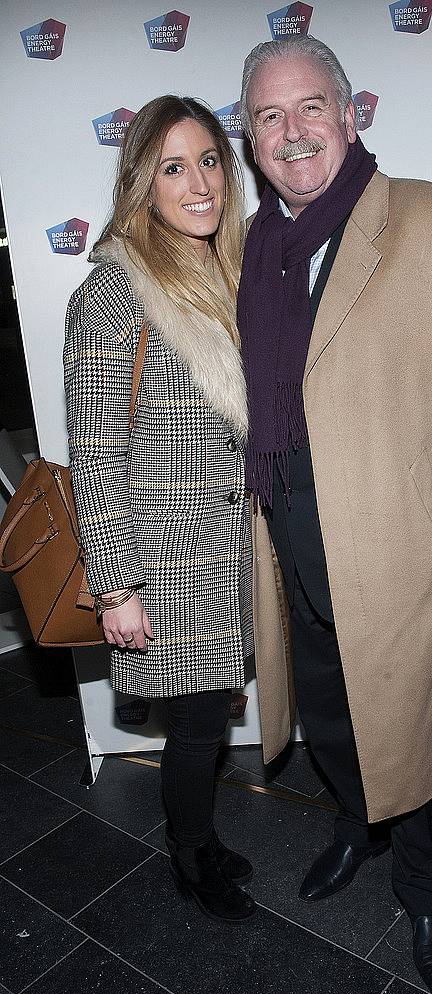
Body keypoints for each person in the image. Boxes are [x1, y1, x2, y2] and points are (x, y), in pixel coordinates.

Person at [237, 37, 432, 994]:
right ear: (250, 137)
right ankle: (354, 823)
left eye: (309, 107)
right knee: (329, 714)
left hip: (399, 540)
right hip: (288, 536)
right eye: (268, 116)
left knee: (425, 731)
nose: (292, 131)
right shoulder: (247, 248)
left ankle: (428, 891)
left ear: (350, 112)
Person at [64, 95, 256, 922]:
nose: (199, 182)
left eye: (210, 159)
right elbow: (95, 452)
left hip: (221, 545)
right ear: (143, 182)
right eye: (173, 167)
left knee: (203, 720)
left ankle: (200, 840)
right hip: (163, 559)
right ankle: (189, 855)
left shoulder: (217, 272)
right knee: (197, 723)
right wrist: (115, 587)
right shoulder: (114, 291)